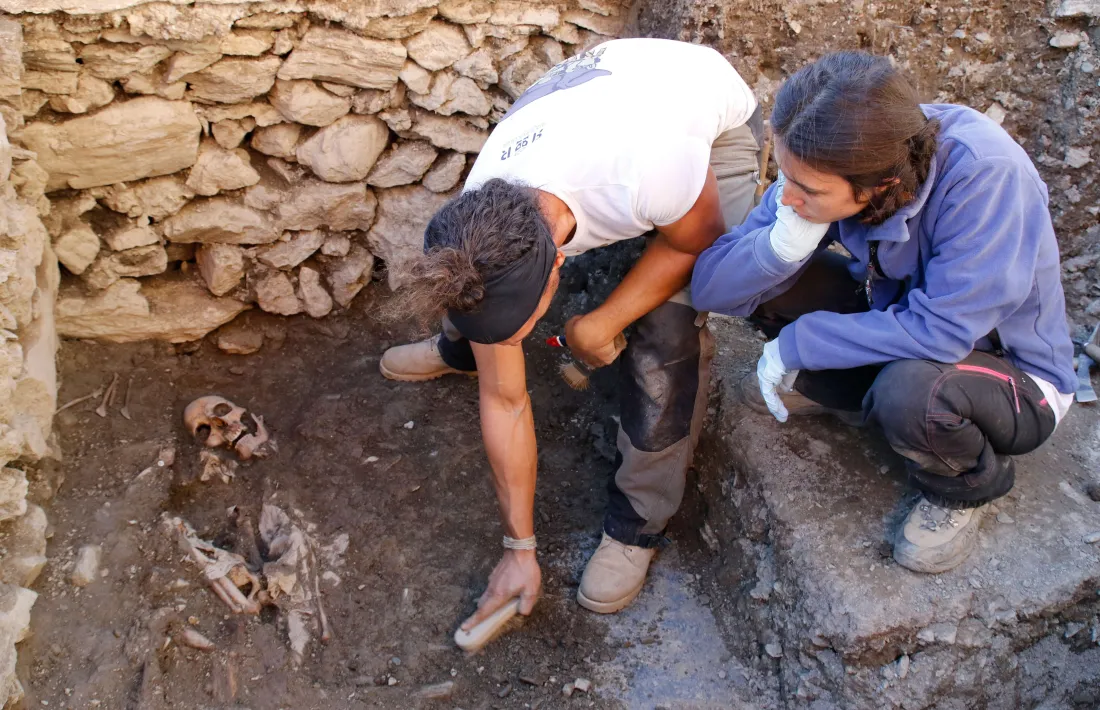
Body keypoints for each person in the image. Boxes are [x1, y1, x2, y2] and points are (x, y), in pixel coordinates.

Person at [380, 38, 762, 624]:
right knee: (473, 291)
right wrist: (518, 549)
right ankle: (462, 349)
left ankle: (637, 525)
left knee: (667, 328)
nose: (514, 342)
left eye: (520, 330)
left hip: (704, 122)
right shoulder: (480, 206)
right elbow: (505, 399)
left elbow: (694, 239)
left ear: (560, 262)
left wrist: (603, 322)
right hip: (606, 105)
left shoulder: (649, 172)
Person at [691, 51, 1076, 574]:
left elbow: (942, 330)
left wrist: (799, 344)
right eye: (785, 177)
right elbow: (712, 285)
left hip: (1006, 376)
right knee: (777, 285)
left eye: (808, 191)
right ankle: (847, 396)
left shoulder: (987, 177)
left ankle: (963, 483)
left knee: (915, 392)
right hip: (897, 319)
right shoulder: (835, 149)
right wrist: (777, 249)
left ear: (882, 188)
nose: (788, 199)